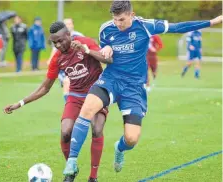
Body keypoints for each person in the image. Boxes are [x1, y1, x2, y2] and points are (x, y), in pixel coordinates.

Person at [62, 0, 222, 180]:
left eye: (121, 19)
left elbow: (178, 27)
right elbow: (105, 51)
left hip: (134, 87)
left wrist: (211, 22)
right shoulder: (106, 29)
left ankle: (119, 148)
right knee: (87, 109)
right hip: (111, 79)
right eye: (115, 19)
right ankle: (72, 161)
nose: (118, 24)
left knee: (131, 138)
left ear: (132, 14)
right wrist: (105, 48)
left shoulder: (146, 26)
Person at [3, 21, 112, 182]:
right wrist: (20, 103)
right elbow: (44, 88)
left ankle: (93, 177)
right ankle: (71, 170)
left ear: (69, 35)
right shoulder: (57, 59)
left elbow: (106, 59)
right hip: (75, 96)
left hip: (96, 93)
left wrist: (86, 50)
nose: (58, 45)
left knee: (97, 129)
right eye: (54, 42)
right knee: (65, 131)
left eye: (61, 40)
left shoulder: (85, 42)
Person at [47, 18, 84, 102]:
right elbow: (55, 50)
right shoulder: (58, 37)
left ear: (73, 25)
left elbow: (85, 48)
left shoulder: (79, 36)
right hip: (65, 67)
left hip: (79, 66)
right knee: (66, 82)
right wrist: (50, 60)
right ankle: (69, 105)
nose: (68, 25)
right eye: (66, 24)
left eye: (69, 24)